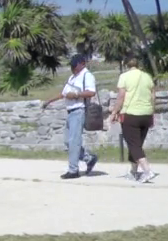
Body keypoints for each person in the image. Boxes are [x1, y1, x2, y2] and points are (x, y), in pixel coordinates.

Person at [43, 54, 100, 178]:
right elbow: (63, 93)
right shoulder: (72, 77)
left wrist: (76, 95)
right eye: (72, 65)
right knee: (67, 142)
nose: (73, 67)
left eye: (75, 65)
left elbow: (91, 92)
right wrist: (50, 100)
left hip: (79, 110)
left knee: (74, 142)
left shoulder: (87, 75)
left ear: (82, 64)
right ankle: (89, 158)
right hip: (70, 111)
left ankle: (73, 170)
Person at [111, 53, 157, 182]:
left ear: (126, 64)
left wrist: (114, 112)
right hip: (146, 113)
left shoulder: (124, 77)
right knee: (137, 144)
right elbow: (153, 96)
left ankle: (147, 170)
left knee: (133, 145)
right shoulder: (147, 76)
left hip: (131, 114)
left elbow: (121, 97)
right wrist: (152, 112)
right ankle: (133, 171)